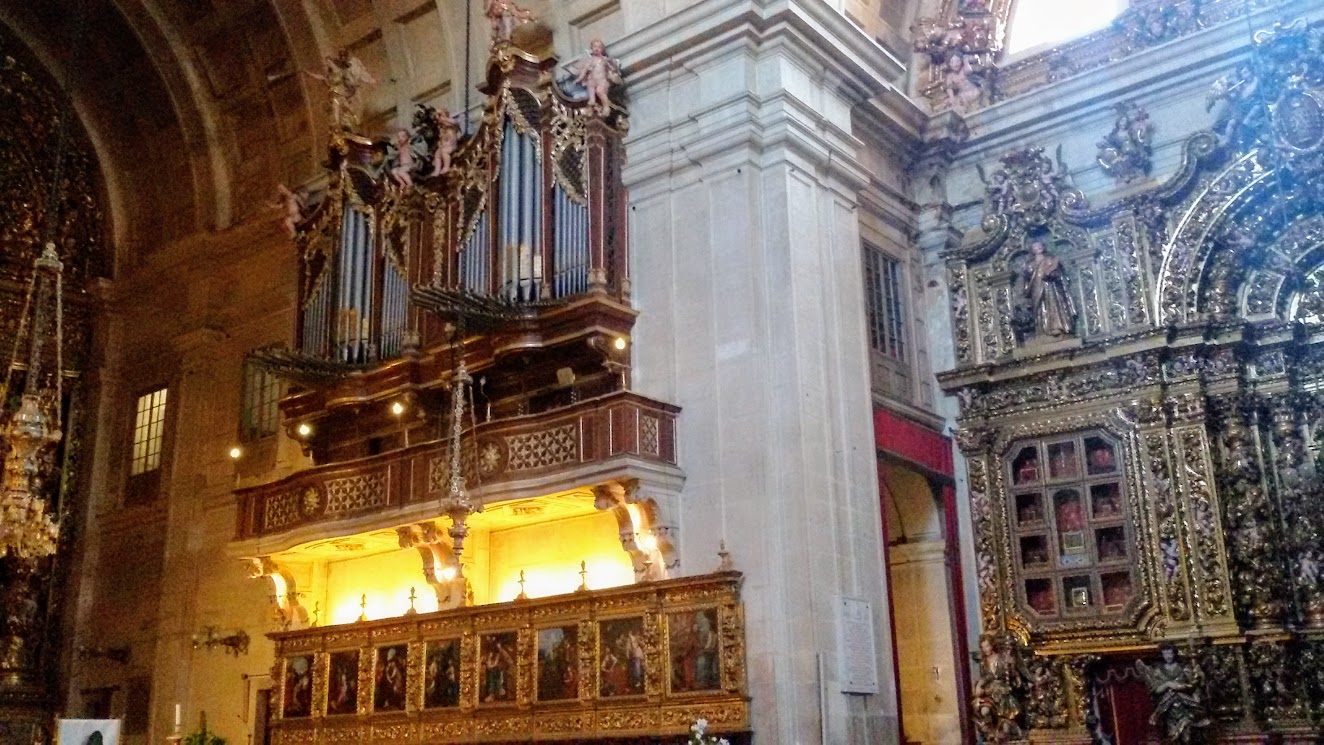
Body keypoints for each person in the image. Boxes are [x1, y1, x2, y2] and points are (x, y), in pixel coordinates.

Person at [1136, 644, 1211, 744]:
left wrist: (1182, 686)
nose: (1168, 656)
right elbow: (1156, 690)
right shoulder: (1158, 671)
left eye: (1170, 654)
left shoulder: (1184, 668)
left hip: (1185, 705)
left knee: (1187, 734)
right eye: (1165, 654)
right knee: (1172, 736)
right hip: (1168, 707)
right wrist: (1168, 684)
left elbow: (1193, 685)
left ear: (1174, 654)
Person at [1024, 241, 1076, 339]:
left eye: (1040, 245)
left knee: (1053, 304)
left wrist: (1051, 274)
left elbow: (1058, 274)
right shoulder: (1030, 265)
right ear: (1032, 250)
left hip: (1050, 286)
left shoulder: (1050, 259)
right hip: (1036, 288)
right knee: (1040, 307)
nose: (1038, 247)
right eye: (1036, 246)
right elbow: (1027, 279)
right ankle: (1042, 330)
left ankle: (1056, 326)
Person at [574, 39, 622, 117]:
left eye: (599, 47)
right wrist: (579, 78)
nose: (596, 49)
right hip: (593, 79)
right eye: (595, 46)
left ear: (602, 50)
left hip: (601, 80)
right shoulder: (590, 60)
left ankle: (606, 106)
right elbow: (584, 70)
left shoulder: (604, 59)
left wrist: (610, 66)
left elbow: (613, 69)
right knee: (590, 85)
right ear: (591, 48)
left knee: (599, 91)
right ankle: (592, 100)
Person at [431, 109, 460, 176]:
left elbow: (455, 122)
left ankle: (446, 167)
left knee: (444, 152)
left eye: (440, 115)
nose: (439, 119)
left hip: (451, 146)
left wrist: (445, 118)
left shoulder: (451, 126)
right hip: (443, 147)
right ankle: (437, 170)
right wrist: (440, 144)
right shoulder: (441, 128)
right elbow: (441, 139)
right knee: (437, 154)